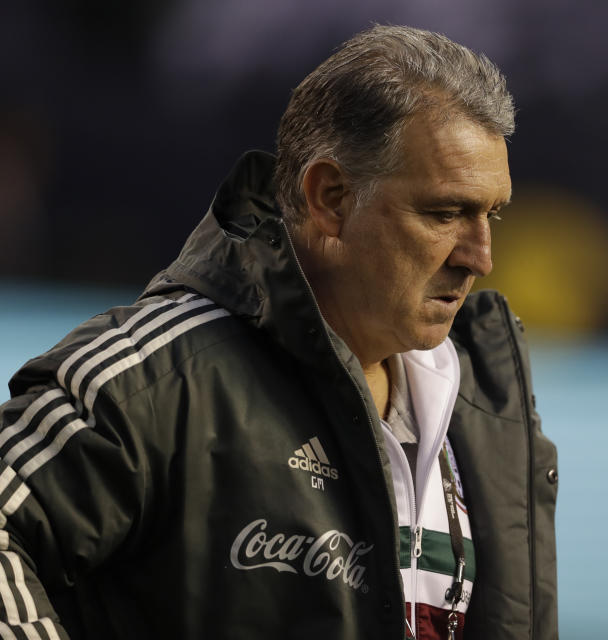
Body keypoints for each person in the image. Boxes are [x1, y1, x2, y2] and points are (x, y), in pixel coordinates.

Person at [0, 25, 558, 640]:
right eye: (445, 213)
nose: (480, 256)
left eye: (491, 215)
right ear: (331, 199)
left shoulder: (489, 408)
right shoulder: (158, 376)